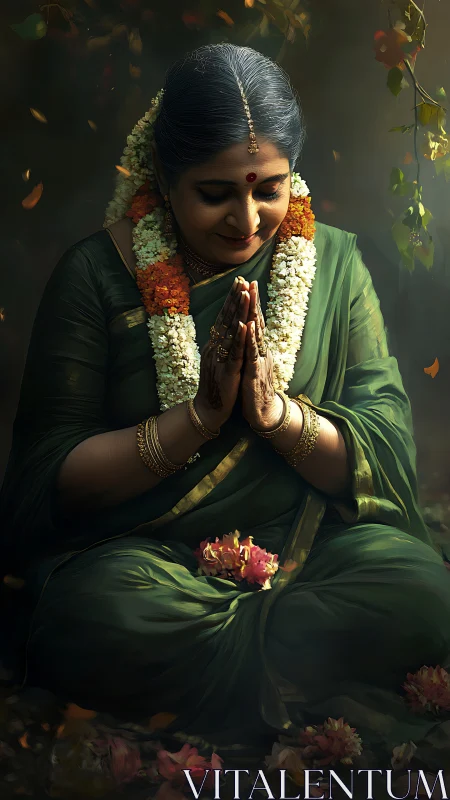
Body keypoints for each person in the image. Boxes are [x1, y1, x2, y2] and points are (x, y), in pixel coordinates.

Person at [1, 43, 450, 759]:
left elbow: (383, 451)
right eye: (216, 193)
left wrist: (280, 419)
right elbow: (50, 481)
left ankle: (231, 666)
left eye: (269, 188)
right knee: (95, 613)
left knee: (422, 590)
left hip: (314, 551)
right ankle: (294, 666)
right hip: (143, 562)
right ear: (165, 179)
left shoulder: (332, 261)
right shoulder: (95, 274)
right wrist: (197, 419)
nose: (247, 219)